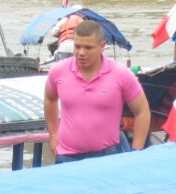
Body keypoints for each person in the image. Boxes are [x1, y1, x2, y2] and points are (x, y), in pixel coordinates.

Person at [45, 20, 151, 163]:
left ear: (102, 46)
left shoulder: (121, 74)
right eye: (77, 46)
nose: (81, 53)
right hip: (67, 156)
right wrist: (53, 135)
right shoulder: (58, 72)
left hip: (107, 157)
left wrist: (136, 151)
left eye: (88, 48)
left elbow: (142, 111)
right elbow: (50, 99)